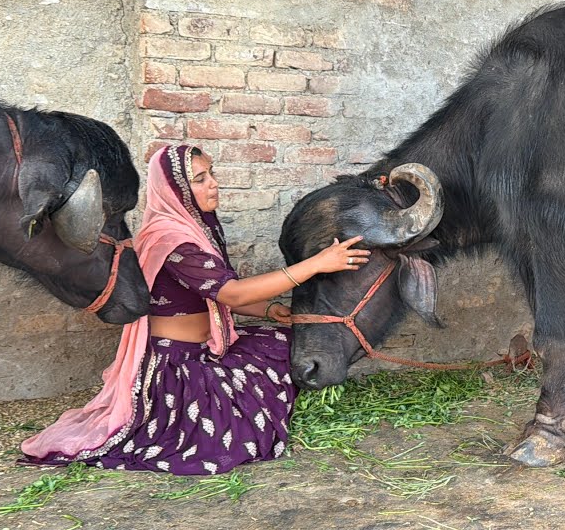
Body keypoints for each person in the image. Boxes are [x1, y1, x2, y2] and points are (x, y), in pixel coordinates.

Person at [22, 144, 368, 474]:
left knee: (287, 341)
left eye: (211, 173)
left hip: (208, 349)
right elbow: (231, 294)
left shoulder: (195, 228)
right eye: (200, 179)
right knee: (219, 439)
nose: (213, 183)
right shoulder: (172, 241)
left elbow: (213, 293)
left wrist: (268, 310)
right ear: (175, 191)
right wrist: (316, 264)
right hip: (177, 364)